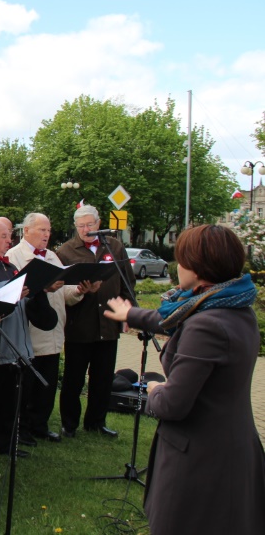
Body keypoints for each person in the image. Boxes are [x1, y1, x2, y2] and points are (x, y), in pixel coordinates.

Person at [104, 225, 265, 535]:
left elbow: (173, 405)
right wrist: (132, 315)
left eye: (182, 259)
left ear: (198, 266)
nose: (178, 267)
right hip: (231, 447)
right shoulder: (233, 305)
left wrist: (153, 388)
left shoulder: (207, 325)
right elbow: (172, 318)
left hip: (201, 460)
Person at [0, 219, 55, 462]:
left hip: (18, 347)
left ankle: (5, 442)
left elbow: (34, 312)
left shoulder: (9, 267)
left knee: (10, 402)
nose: (10, 240)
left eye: (9, 235)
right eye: (4, 236)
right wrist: (11, 296)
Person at [5, 213, 85, 444]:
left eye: (48, 230)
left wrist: (79, 290)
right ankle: (23, 428)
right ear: (26, 231)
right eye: (41, 230)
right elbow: (16, 292)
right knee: (27, 385)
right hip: (31, 333)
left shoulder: (52, 257)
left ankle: (41, 424)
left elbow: (64, 293)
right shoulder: (15, 256)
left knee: (47, 385)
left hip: (54, 331)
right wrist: (43, 287)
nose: (47, 234)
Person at [56, 205, 133, 438]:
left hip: (108, 322)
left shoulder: (115, 246)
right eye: (80, 226)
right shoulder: (66, 251)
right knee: (74, 378)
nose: (86, 229)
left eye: (89, 225)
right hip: (80, 324)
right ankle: (69, 424)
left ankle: (96, 422)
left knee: (103, 377)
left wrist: (130, 313)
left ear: (99, 224)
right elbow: (61, 288)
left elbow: (127, 282)